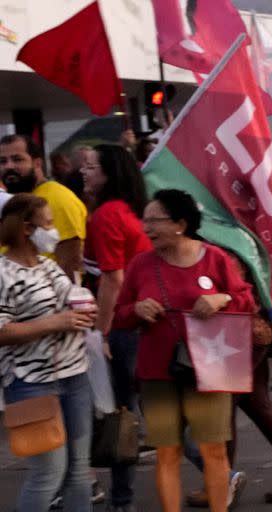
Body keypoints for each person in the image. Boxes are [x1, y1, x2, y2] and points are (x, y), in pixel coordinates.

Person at [113, 189, 255, 512]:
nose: (146, 228)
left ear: (180, 223)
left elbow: (246, 301)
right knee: (167, 451)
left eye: (154, 221)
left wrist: (222, 299)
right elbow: (119, 316)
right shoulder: (140, 265)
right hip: (156, 372)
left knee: (214, 450)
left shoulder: (216, 258)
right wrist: (136, 309)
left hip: (211, 367)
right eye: (144, 221)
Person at [184, 254, 272, 508]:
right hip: (249, 329)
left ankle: (222, 482)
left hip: (238, 330)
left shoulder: (220, 239)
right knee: (257, 403)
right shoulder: (232, 233)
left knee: (224, 405)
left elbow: (235, 286)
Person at [0, 194, 97, 511]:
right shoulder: (4, 273)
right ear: (27, 228)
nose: (55, 230)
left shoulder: (49, 266)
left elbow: (72, 303)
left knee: (79, 472)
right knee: (48, 474)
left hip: (75, 376)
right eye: (49, 223)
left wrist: (84, 311)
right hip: (31, 383)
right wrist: (55, 322)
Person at [80, 144, 152, 512]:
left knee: (120, 416)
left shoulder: (107, 215)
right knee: (133, 412)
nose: (83, 172)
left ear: (109, 174)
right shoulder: (123, 211)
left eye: (90, 167)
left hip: (121, 327)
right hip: (131, 325)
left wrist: (102, 333)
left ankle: (120, 500)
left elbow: (112, 279)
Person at [0, 134, 87, 280]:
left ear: (37, 163)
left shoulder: (58, 198)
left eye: (17, 159)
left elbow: (71, 263)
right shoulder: (16, 200)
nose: (9, 166)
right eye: (2, 161)